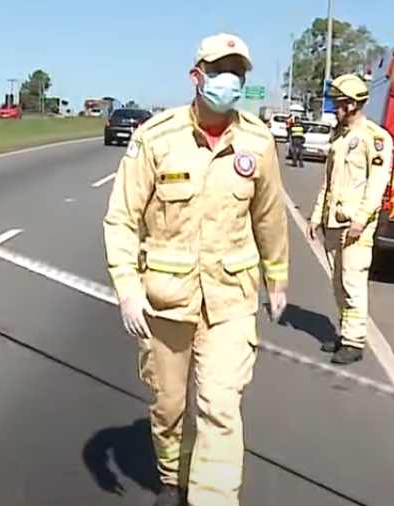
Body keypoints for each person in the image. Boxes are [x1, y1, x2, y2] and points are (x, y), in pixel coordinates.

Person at [102, 33, 289, 506]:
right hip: (165, 301)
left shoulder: (258, 142)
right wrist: (127, 287)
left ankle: (213, 498)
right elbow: (122, 218)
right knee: (168, 405)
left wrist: (277, 278)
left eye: (238, 73)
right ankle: (172, 476)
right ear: (197, 77)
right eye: (221, 70)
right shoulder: (155, 138)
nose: (230, 80)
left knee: (220, 406)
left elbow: (269, 216)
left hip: (231, 300)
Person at [306, 73, 394, 365]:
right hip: (334, 221)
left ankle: (354, 342)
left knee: (353, 282)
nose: (335, 108)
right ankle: (345, 333)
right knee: (337, 283)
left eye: (340, 104)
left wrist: (361, 218)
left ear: (355, 104)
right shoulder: (339, 137)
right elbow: (328, 181)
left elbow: (377, 184)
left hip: (356, 225)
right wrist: (316, 216)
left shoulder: (376, 138)